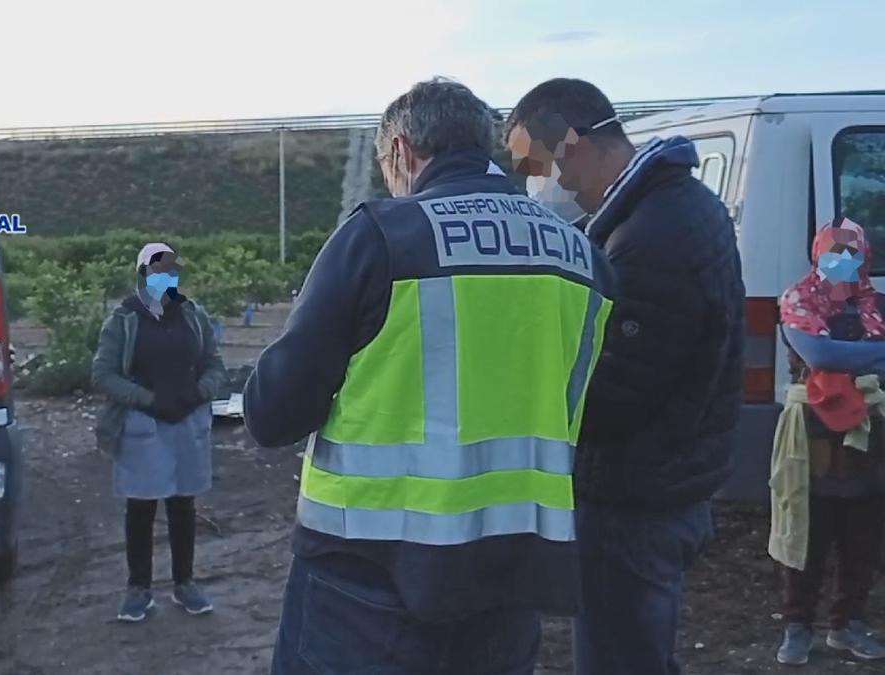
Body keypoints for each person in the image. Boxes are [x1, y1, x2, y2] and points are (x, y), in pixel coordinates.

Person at [244, 78, 617, 675]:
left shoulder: (381, 236)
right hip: (514, 572)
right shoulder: (581, 254)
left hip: (369, 574)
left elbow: (273, 413)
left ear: (402, 153)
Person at [505, 78, 745, 675]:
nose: (538, 182)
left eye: (536, 164)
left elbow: (616, 395)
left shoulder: (652, 234)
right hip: (662, 479)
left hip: (636, 498)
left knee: (621, 657)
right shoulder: (666, 208)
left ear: (571, 143)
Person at [92, 242, 228, 623]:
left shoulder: (193, 315)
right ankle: (139, 589)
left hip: (186, 421)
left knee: (183, 505)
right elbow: (103, 375)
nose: (164, 279)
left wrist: (199, 392)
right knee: (141, 507)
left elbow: (214, 364)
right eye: (156, 272)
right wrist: (147, 399)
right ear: (142, 276)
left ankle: (185, 584)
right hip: (144, 424)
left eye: (171, 271)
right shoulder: (124, 320)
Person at [771, 218, 885, 665]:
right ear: (818, 253)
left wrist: (852, 357)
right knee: (806, 531)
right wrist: (874, 354)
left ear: (864, 257)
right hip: (811, 436)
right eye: (833, 252)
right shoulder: (798, 298)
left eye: (851, 253)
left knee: (863, 533)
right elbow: (818, 354)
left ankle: (847, 625)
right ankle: (796, 627)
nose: (842, 262)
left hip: (869, 434)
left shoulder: (875, 303)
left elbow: (834, 353)